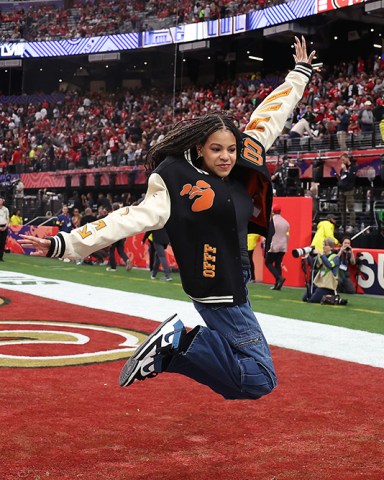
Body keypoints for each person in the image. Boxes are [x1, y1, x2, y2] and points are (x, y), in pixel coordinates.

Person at [19, 37, 315, 401]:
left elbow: (270, 116)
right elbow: (126, 219)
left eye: (231, 149)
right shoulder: (175, 181)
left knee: (247, 374)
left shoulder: (243, 159)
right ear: (199, 149)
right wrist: (64, 243)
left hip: (229, 282)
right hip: (220, 292)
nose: (226, 157)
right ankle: (176, 346)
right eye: (216, 149)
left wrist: (299, 74)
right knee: (259, 379)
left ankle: (172, 350)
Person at [303, 238, 340, 303]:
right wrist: (307, 255)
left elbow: (329, 265)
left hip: (328, 286)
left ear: (331, 247)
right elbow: (313, 265)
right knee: (305, 298)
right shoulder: (321, 256)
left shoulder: (335, 257)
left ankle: (331, 296)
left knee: (312, 300)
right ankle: (326, 297)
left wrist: (321, 254)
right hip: (319, 284)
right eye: (323, 244)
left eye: (325, 245)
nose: (323, 246)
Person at [265, 204, 290, 290]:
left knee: (268, 262)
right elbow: (287, 235)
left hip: (274, 245)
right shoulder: (286, 222)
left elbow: (269, 235)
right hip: (283, 246)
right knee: (278, 264)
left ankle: (279, 278)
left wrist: (267, 245)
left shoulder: (272, 221)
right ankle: (277, 284)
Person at [106, 202, 133, 272]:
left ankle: (113, 267)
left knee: (111, 250)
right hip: (122, 234)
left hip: (114, 234)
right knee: (120, 250)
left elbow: (109, 226)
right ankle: (127, 259)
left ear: (112, 208)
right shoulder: (122, 215)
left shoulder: (111, 215)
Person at [337, 153, 357, 229]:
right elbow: (342, 178)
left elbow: (351, 178)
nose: (342, 161)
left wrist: (345, 170)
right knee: (342, 208)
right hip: (342, 189)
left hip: (349, 190)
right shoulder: (342, 168)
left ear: (347, 158)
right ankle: (343, 224)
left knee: (350, 207)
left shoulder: (353, 167)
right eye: (341, 160)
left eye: (343, 159)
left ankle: (352, 225)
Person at [0, 195, 10, 262]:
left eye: (1, 200)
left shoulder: (5, 209)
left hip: (4, 227)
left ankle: (1, 257)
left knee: (2, 243)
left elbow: (7, 218)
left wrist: (5, 226)